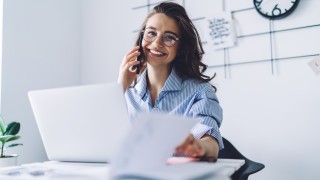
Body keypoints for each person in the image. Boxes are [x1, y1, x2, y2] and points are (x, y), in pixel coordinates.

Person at [117, 1, 223, 160]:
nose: (157, 43)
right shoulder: (126, 94)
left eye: (169, 38)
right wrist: (120, 86)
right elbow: (100, 140)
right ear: (141, 37)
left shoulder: (200, 92)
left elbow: (210, 143)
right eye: (151, 33)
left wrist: (198, 146)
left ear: (181, 47)